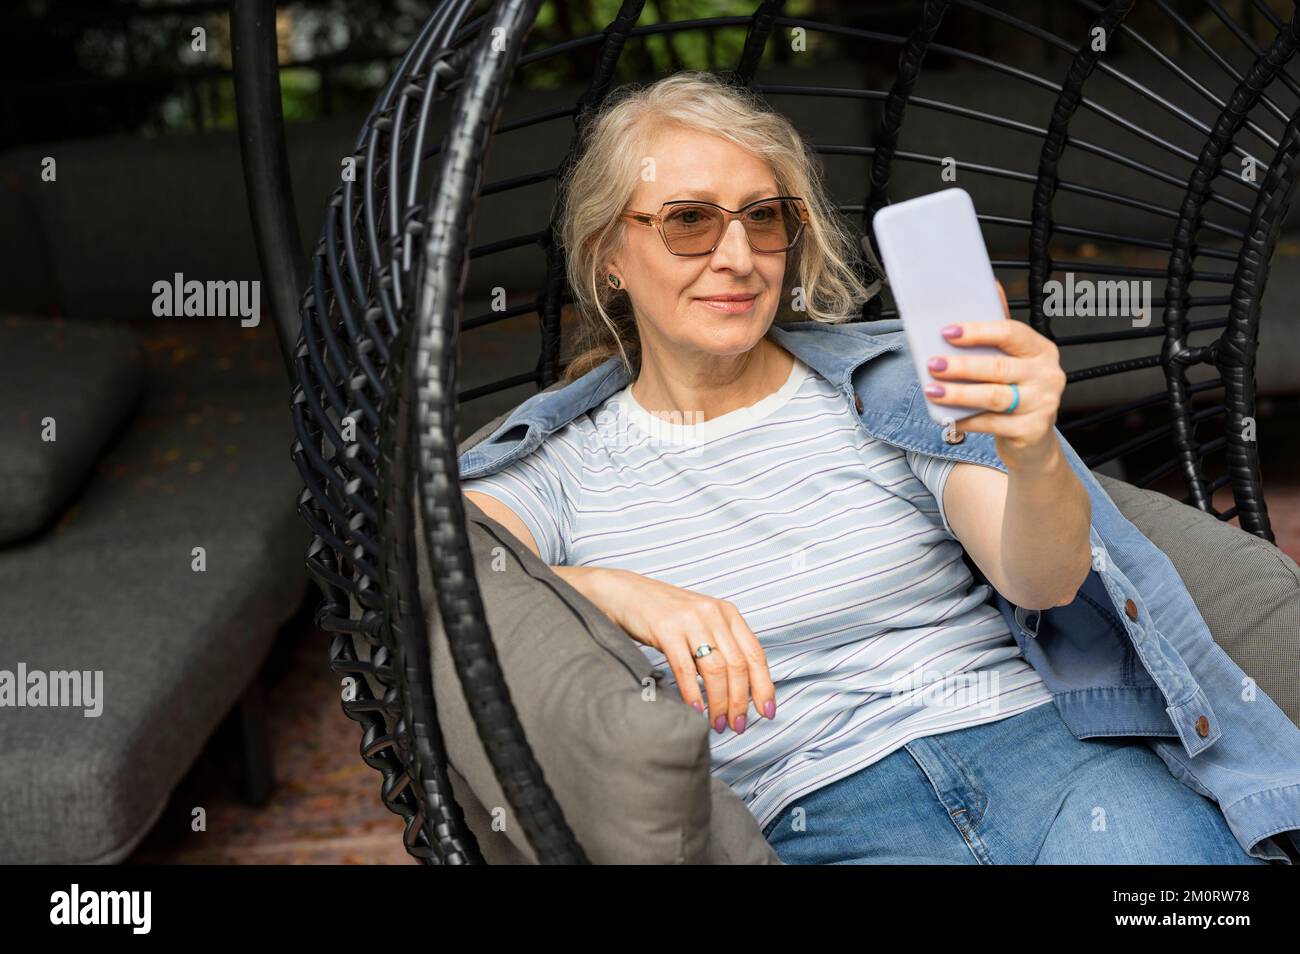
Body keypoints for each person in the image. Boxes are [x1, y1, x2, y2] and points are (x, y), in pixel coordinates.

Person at [461, 71, 1265, 865]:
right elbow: (432, 584)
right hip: (817, 817)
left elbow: (1043, 580)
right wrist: (611, 591)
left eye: (764, 218)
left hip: (1054, 766)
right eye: (690, 222)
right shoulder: (557, 468)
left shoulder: (886, 391)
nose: (738, 257)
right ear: (609, 255)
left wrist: (1033, 450)